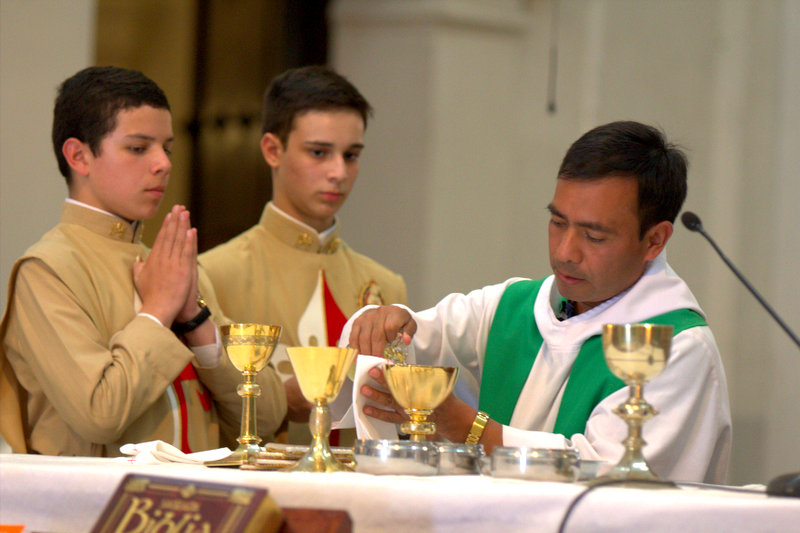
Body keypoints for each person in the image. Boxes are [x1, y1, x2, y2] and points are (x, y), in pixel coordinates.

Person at [345, 121, 732, 484]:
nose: (565, 252)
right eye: (558, 223)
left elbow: (611, 478)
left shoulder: (674, 348)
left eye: (594, 237)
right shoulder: (511, 307)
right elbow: (416, 339)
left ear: (654, 240)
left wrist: (463, 425)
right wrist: (385, 326)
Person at [0, 66, 286, 456]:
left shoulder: (170, 266)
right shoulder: (47, 270)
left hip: (196, 491)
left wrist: (196, 321)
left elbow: (265, 420)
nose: (163, 163)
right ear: (79, 156)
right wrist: (158, 311)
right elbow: (99, 414)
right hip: (98, 496)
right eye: (138, 148)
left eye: (167, 148)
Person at [199, 66, 407, 438]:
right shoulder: (214, 273)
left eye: (351, 155)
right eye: (319, 152)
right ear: (272, 150)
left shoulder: (385, 284)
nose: (338, 172)